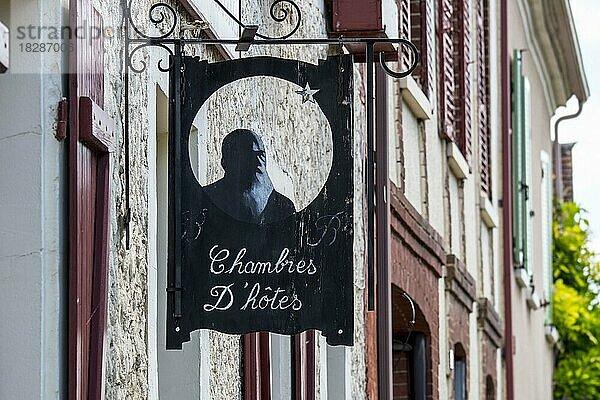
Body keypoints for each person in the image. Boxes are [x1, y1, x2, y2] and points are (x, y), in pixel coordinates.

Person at [204, 129, 296, 224]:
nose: (257, 162)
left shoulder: (283, 206)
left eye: (260, 155)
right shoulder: (206, 198)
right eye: (247, 154)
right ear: (226, 161)